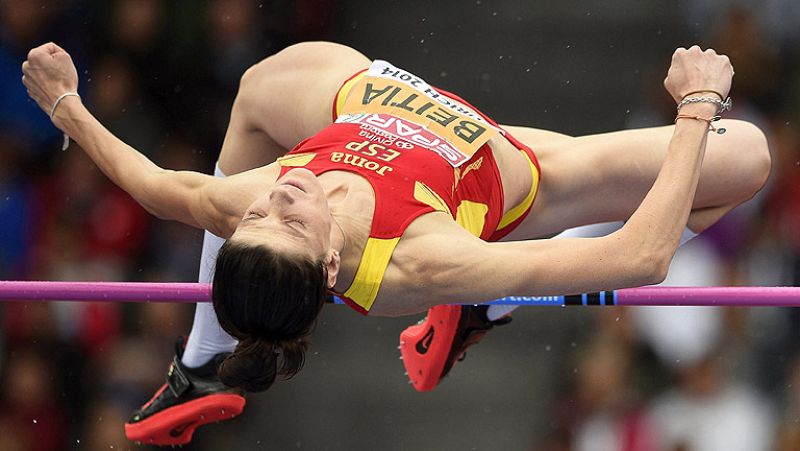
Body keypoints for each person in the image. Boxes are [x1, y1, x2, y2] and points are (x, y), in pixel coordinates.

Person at [21, 41, 769, 445]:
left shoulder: (247, 200)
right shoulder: (419, 256)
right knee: (749, 160)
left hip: (362, 102)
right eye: (289, 221)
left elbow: (150, 181)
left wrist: (66, 104)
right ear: (331, 263)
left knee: (256, 87)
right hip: (520, 170)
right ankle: (484, 303)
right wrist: (698, 108)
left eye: (257, 219)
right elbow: (641, 258)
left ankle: (198, 364)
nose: (277, 197)